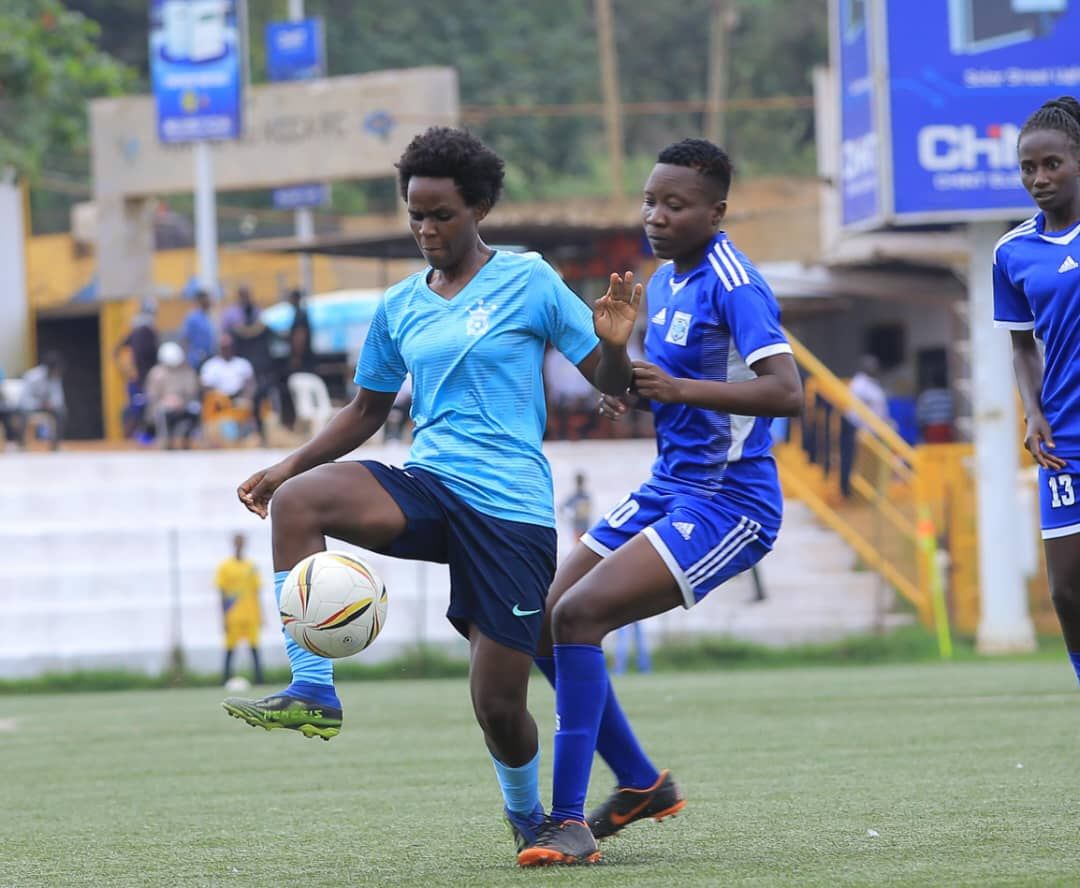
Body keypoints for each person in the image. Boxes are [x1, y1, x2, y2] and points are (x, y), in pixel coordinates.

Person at [222, 127, 636, 860]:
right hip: (429, 483)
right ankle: (314, 689)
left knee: (497, 706)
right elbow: (364, 413)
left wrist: (612, 345)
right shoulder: (399, 305)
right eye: (415, 213)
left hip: (510, 512)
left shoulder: (530, 279)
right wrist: (285, 467)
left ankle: (530, 814)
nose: (425, 228)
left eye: (440, 213)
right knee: (301, 503)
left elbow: (614, 386)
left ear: (477, 208)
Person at [518, 139, 802, 866]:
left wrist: (681, 389)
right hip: (670, 485)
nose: (656, 215)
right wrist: (613, 349)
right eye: (650, 201)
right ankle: (642, 783)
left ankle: (571, 821)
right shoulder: (663, 281)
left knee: (578, 615)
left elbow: (786, 393)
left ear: (716, 211)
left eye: (675, 205)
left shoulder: (734, 282)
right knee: (543, 619)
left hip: (732, 501)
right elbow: (621, 387)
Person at [993, 96, 1080, 687]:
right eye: (1028, 168)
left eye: (1052, 164)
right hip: (1064, 439)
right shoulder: (1012, 252)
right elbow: (1022, 345)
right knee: (1067, 589)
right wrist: (1032, 412)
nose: (1039, 178)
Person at [216, 533, 265, 686]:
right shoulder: (225, 567)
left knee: (254, 648)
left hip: (251, 615)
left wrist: (261, 615)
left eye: (241, 542)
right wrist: (223, 617)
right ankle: (225, 680)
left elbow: (257, 592)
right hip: (233, 615)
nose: (239, 545)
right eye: (237, 542)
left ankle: (259, 681)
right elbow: (222, 593)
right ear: (233, 544)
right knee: (230, 649)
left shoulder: (251, 566)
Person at [840, 354, 889, 498]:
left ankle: (869, 492)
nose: (873, 368)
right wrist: (862, 430)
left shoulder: (873, 383)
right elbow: (857, 409)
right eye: (870, 365)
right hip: (856, 426)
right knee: (850, 459)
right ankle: (846, 492)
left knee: (870, 463)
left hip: (873, 429)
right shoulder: (859, 384)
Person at [145, 341, 201, 449]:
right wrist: (166, 400)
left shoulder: (186, 371)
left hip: (183, 404)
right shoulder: (156, 373)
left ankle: (192, 440)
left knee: (195, 409)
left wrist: (181, 401)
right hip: (162, 405)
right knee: (161, 413)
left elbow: (192, 391)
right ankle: (164, 442)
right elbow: (152, 395)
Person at [18, 352, 67, 450]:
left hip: (47, 408)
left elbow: (59, 399)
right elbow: (23, 400)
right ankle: (22, 444)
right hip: (30, 407)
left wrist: (52, 404)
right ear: (49, 368)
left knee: (62, 412)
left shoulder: (55, 378)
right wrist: (39, 404)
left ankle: (55, 445)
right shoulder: (32, 377)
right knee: (20, 414)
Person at [916, 371, 955, 443]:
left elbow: (920, 415)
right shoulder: (950, 395)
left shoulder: (927, 395)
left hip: (931, 429)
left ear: (932, 382)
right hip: (947, 429)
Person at [182, 289, 216, 370]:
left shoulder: (208, 317)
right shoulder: (193, 318)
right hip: (197, 359)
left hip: (209, 358)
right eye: (207, 299)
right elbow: (185, 339)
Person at [559, 472, 593, 540]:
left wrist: (568, 518)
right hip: (583, 524)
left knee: (578, 545)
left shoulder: (575, 496)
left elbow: (561, 508)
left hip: (579, 524)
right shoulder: (586, 496)